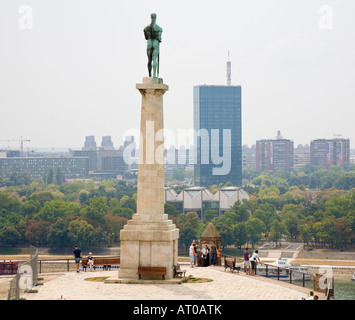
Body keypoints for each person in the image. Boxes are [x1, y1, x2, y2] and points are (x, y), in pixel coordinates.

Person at [144, 13, 163, 78]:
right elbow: (160, 38)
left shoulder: (146, 28)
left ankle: (149, 74)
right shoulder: (159, 28)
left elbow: (146, 38)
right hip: (155, 42)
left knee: (149, 60)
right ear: (156, 17)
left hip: (149, 42)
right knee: (154, 59)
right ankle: (154, 75)